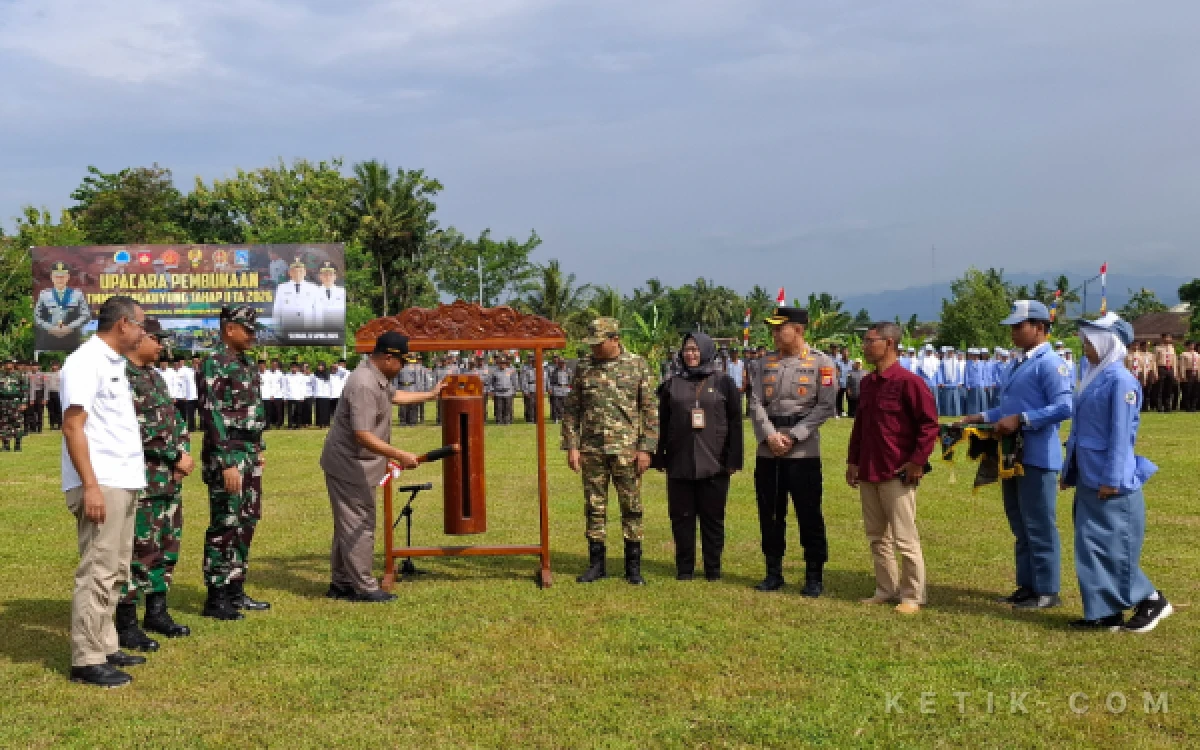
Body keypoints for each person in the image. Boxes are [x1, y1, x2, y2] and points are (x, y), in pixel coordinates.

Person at [959, 300, 1073, 610]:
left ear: (1040, 327)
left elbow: (1064, 407)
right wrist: (977, 417)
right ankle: (1027, 585)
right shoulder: (1017, 362)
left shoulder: (1051, 364)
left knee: (1039, 524)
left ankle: (1047, 590)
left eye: (1018, 326)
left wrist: (1022, 419)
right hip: (1012, 457)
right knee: (1019, 523)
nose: (1013, 332)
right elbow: (1006, 409)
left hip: (1036, 455)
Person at [1062, 315, 1172, 632]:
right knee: (1089, 545)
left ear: (1108, 343)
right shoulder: (1094, 376)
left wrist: (1113, 478)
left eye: (1089, 341)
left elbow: (1121, 435)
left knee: (1111, 546)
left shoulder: (1121, 381)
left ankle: (1151, 599)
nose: (1084, 347)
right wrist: (1070, 471)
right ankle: (1103, 612)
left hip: (1109, 478)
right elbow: (1081, 429)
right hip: (1087, 474)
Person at [60, 296, 147, 688]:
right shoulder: (85, 361)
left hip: (122, 479)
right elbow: (73, 426)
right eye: (141, 325)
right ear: (123, 324)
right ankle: (87, 658)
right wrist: (90, 486)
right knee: (97, 569)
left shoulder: (114, 364)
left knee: (116, 570)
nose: (144, 333)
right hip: (102, 482)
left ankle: (106, 644)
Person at [321, 332, 446, 602]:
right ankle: (363, 588)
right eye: (401, 362)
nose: (402, 367)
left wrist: (432, 395)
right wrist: (399, 454)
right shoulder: (364, 384)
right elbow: (362, 435)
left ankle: (341, 583)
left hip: (356, 463)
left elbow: (396, 396)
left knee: (349, 524)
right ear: (388, 358)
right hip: (350, 465)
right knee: (360, 525)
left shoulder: (375, 376)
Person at [846, 322, 939, 615]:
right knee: (876, 537)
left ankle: (913, 595)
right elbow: (860, 426)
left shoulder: (909, 382)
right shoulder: (868, 383)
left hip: (897, 471)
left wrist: (917, 461)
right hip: (870, 468)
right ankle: (886, 589)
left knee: (904, 538)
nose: (864, 346)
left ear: (888, 343)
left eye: (869, 340)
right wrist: (853, 461)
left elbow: (929, 424)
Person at [747, 306, 837, 596]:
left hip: (803, 452)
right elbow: (755, 402)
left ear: (798, 330)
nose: (774, 333)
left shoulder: (821, 363)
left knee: (809, 513)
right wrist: (770, 435)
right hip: (769, 451)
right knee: (770, 513)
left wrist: (795, 436)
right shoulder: (763, 364)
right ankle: (773, 572)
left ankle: (814, 575)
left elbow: (825, 406)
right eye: (772, 328)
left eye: (779, 328)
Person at [562, 318, 659, 585]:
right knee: (594, 506)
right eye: (591, 343)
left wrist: (646, 449)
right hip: (592, 449)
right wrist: (572, 445)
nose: (594, 348)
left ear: (615, 339)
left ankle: (633, 567)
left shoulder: (637, 365)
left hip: (627, 450)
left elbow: (650, 410)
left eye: (599, 343)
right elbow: (571, 409)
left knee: (632, 507)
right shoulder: (583, 367)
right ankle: (596, 565)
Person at [116, 320, 194, 651]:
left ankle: (157, 611)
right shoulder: (121, 377)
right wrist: (174, 454)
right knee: (138, 550)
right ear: (138, 338)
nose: (162, 346)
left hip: (168, 479)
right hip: (142, 478)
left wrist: (184, 454)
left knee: (166, 545)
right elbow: (135, 428)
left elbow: (175, 421)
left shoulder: (154, 376)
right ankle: (126, 621)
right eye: (157, 339)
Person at [198, 306, 269, 621]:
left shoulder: (247, 363)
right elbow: (211, 415)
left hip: (249, 451)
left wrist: (259, 448)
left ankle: (235, 588)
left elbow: (253, 411)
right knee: (225, 523)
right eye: (248, 329)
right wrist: (226, 462)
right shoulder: (213, 364)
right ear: (230, 329)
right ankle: (216, 597)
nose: (253, 335)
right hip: (227, 452)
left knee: (247, 520)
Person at [654, 332, 743, 581]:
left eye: (695, 349)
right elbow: (662, 422)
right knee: (681, 518)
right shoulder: (672, 383)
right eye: (687, 350)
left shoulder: (724, 382)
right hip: (680, 460)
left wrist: (734, 459)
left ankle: (713, 568)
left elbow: (736, 422)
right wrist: (658, 456)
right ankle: (685, 568)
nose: (690, 354)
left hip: (715, 463)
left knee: (712, 518)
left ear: (706, 350)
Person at [35, 261, 92, 351]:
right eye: (57, 276)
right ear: (52, 277)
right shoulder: (44, 295)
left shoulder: (77, 294)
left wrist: (70, 327)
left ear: (68, 277)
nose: (60, 279)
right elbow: (37, 317)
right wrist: (50, 328)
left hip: (72, 339)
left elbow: (86, 315)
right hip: (49, 339)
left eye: (62, 276)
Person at [272, 258, 319, 336]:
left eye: (300, 271)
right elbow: (277, 308)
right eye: (294, 271)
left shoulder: (314, 288)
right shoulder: (282, 287)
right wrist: (276, 329)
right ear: (289, 273)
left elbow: (318, 310)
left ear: (305, 273)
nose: (297, 274)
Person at [0, 358, 29, 451]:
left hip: (15, 402)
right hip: (3, 403)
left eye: (10, 363)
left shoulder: (19, 375)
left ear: (13, 364)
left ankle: (17, 445)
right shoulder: (1, 375)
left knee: (17, 424)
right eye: (6, 363)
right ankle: (6, 445)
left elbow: (25, 390)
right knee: (3, 425)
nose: (8, 365)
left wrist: (24, 402)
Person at [314, 261, 346, 332]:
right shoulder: (313, 293)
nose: (328, 277)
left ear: (335, 276)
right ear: (320, 277)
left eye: (330, 274)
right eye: (325, 275)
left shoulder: (343, 292)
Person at [1153, 333, 1179, 413]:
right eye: (1166, 337)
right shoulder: (1157, 348)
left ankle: (1168, 407)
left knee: (1169, 389)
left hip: (1170, 368)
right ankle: (1159, 407)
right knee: (1160, 388)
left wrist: (1175, 371)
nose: (1168, 339)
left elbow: (1174, 360)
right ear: (1162, 338)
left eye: (1169, 337)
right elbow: (1154, 361)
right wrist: (1155, 372)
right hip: (1161, 368)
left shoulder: (1172, 348)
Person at [490, 356, 518, 425]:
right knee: (499, 408)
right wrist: (491, 391)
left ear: (506, 364)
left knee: (507, 408)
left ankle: (507, 421)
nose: (503, 364)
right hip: (498, 392)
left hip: (508, 392)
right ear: (499, 364)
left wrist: (515, 390)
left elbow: (514, 381)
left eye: (504, 363)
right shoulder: (495, 372)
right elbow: (491, 382)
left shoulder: (510, 371)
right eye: (501, 363)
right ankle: (499, 421)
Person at [395, 355, 420, 426]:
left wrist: (417, 389)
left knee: (412, 405)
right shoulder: (399, 368)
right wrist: (396, 388)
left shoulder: (414, 368)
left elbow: (417, 379)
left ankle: (412, 421)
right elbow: (396, 379)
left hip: (412, 386)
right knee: (402, 405)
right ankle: (403, 421)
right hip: (402, 386)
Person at [548, 356, 571, 423]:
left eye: (563, 363)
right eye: (561, 363)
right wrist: (550, 389)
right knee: (556, 405)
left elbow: (571, 380)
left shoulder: (568, 371)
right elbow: (550, 380)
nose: (562, 364)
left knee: (565, 405)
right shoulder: (554, 371)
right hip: (556, 388)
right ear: (558, 363)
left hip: (565, 389)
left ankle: (564, 418)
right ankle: (556, 418)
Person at [314, 362, 334, 428]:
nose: (320, 367)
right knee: (319, 410)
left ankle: (326, 423)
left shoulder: (328, 375)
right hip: (318, 394)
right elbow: (313, 385)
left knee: (326, 410)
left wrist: (331, 395)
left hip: (326, 395)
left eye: (321, 366)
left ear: (324, 367)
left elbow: (331, 386)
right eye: (319, 366)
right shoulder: (315, 375)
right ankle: (320, 424)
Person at [1181, 341, 1199, 412]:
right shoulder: (1184, 354)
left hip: (1195, 372)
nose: (1192, 346)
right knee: (1187, 390)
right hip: (1188, 372)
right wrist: (1183, 375)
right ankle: (1187, 406)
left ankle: (1193, 406)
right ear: (1187, 346)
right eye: (1190, 345)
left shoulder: (1197, 354)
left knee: (1195, 391)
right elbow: (1182, 365)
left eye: (1193, 345)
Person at [520, 356, 539, 423]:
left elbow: (544, 380)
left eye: (536, 362)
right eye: (533, 362)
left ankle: (537, 419)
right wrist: (525, 391)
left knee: (537, 405)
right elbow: (524, 381)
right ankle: (530, 419)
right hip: (530, 388)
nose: (535, 363)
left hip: (538, 389)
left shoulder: (540, 369)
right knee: (530, 405)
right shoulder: (527, 370)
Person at [46, 361, 63, 430]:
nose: (54, 367)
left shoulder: (61, 374)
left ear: (58, 366)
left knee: (58, 409)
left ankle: (59, 424)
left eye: (55, 365)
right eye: (53, 365)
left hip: (58, 393)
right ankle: (52, 424)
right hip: (50, 393)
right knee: (51, 410)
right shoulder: (48, 374)